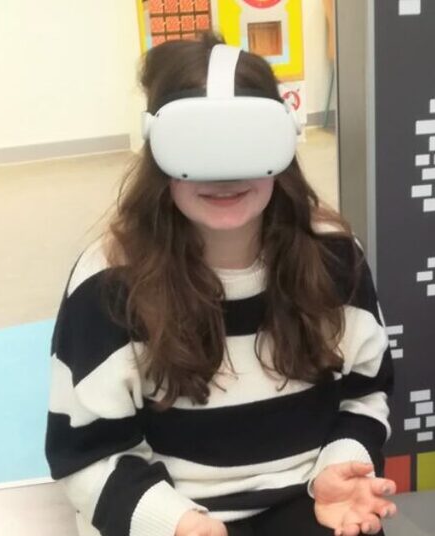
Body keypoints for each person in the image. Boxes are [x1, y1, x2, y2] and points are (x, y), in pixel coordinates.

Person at [46, 34, 396, 536]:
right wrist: (176, 522)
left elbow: (365, 391)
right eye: (199, 146)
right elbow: (87, 449)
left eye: (247, 143)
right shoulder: (108, 285)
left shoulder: (334, 257)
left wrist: (341, 464)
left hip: (315, 499)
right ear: (157, 148)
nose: (225, 174)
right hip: (168, 513)